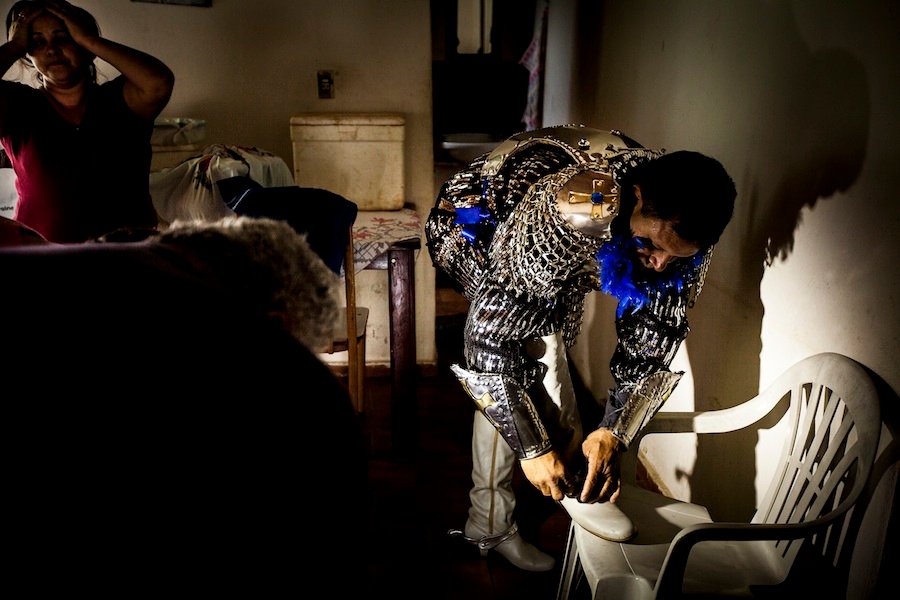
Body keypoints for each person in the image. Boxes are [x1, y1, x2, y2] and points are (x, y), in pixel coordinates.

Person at [425, 125, 736, 571]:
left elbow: (653, 341)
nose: (660, 264)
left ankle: (501, 515)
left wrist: (613, 432)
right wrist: (534, 450)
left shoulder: (687, 230)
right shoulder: (575, 208)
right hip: (475, 225)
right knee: (530, 357)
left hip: (557, 244)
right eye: (651, 244)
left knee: (537, 366)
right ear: (636, 198)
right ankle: (499, 519)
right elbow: (489, 342)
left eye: (678, 256)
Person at [0, 0, 174, 243]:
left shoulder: (122, 100)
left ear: (85, 45)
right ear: (29, 53)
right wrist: (16, 45)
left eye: (64, 37)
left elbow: (159, 82)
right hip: (41, 254)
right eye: (38, 42)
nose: (52, 49)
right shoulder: (17, 105)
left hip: (130, 252)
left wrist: (89, 40)